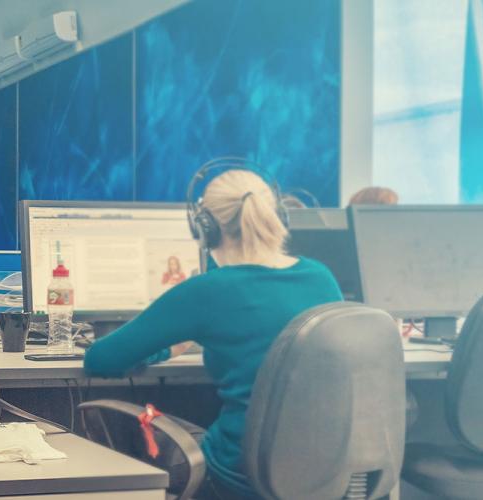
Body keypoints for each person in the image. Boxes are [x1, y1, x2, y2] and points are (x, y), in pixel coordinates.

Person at [83, 169, 343, 499]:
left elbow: (101, 359)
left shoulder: (207, 291)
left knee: (133, 427)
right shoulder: (320, 276)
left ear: (205, 228)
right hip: (324, 473)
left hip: (237, 476)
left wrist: (170, 348)